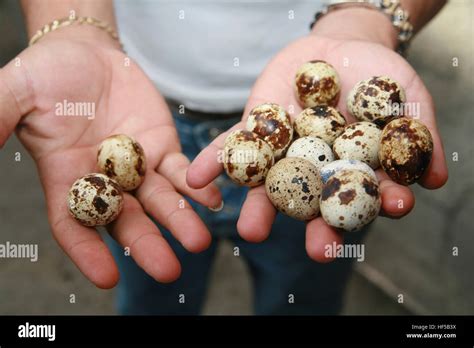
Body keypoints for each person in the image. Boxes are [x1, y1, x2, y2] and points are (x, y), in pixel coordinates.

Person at [0, 0, 448, 314]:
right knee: (154, 300)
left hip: (316, 106)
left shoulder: (334, 148)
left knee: (302, 302)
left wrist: (367, 21)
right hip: (134, 109)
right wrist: (70, 26)